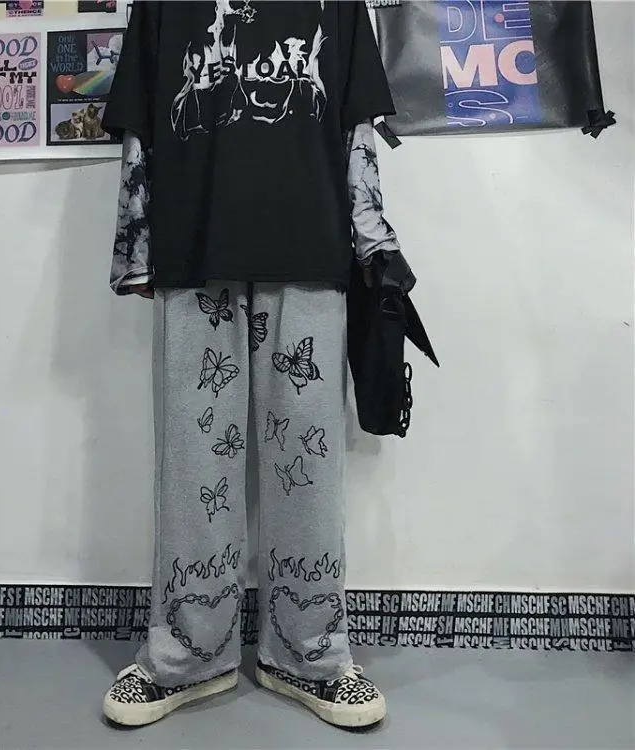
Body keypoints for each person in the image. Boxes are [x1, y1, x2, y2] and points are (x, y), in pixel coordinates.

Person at [99, 0, 415, 729]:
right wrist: (135, 248)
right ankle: (185, 656)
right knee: (191, 461)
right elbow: (141, 125)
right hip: (193, 250)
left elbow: (356, 127)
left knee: (308, 461)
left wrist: (372, 242)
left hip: (309, 251)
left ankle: (310, 654)